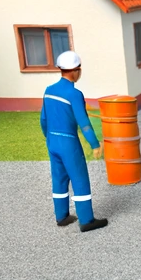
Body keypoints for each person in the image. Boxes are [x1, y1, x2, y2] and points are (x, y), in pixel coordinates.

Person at [39, 51, 108, 232]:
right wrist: (95, 143)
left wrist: (49, 139)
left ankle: (61, 216)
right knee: (79, 178)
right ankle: (86, 220)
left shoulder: (49, 90)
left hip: (52, 141)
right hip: (69, 142)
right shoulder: (74, 94)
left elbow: (43, 120)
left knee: (59, 178)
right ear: (76, 70)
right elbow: (84, 123)